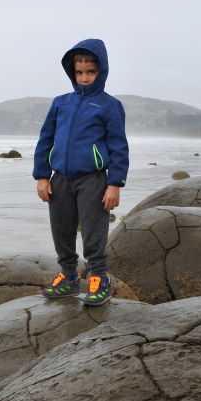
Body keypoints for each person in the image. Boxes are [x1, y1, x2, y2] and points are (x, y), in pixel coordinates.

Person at [34, 38, 128, 306]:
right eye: (79, 72)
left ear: (101, 71)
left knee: (93, 231)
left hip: (93, 180)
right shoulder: (61, 102)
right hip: (60, 178)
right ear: (72, 72)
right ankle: (68, 277)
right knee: (61, 230)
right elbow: (45, 139)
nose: (84, 78)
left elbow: (119, 146)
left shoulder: (110, 106)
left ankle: (99, 278)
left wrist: (115, 183)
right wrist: (42, 176)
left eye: (91, 72)